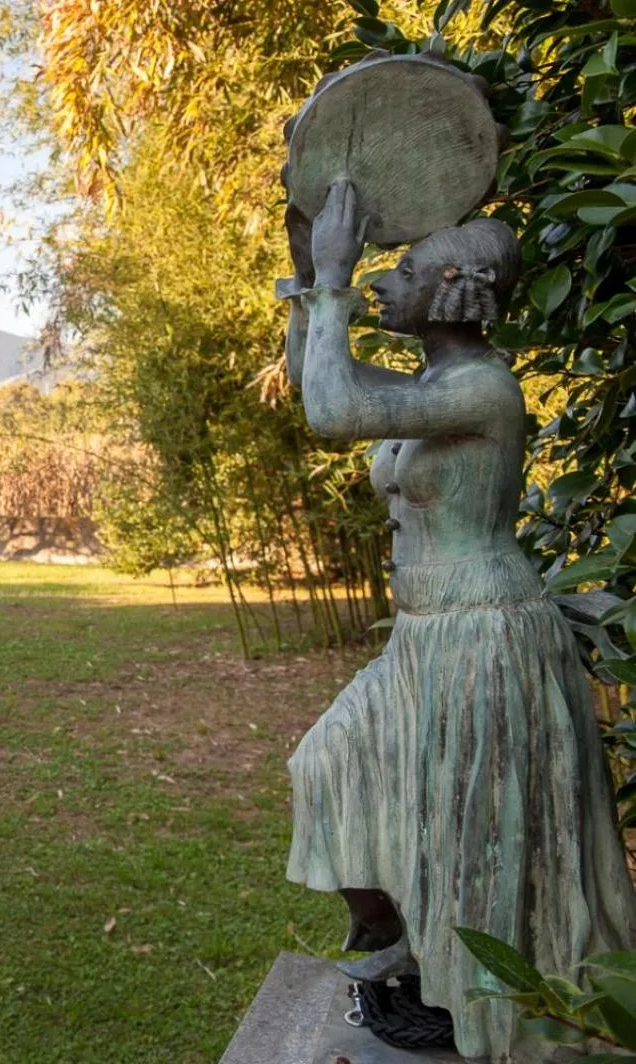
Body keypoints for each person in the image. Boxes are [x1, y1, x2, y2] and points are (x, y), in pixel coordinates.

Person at [283, 180, 636, 1061]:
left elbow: (334, 412)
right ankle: (405, 931)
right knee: (327, 763)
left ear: (450, 291)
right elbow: (317, 383)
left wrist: (334, 277)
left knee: (475, 827)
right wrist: (306, 278)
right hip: (427, 638)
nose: (381, 287)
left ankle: (490, 996)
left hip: (482, 636)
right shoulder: (432, 383)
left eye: (400, 274)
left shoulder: (482, 391)